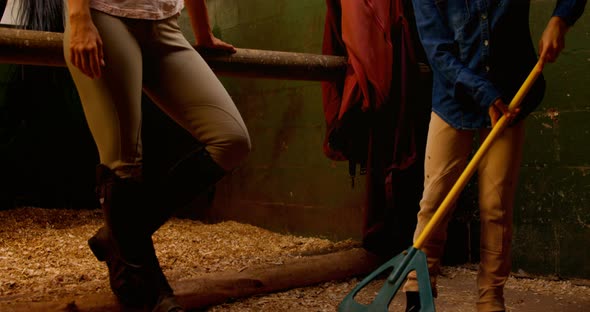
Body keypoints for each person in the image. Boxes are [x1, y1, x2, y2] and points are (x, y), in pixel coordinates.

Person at [63, 0, 251, 311]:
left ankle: (120, 238)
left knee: (232, 140)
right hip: (104, 14)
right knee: (124, 161)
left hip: (164, 24)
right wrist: (79, 18)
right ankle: (141, 285)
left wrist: (203, 33)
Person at [403, 0, 586, 311]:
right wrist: (483, 93)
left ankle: (491, 300)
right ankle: (417, 290)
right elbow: (438, 53)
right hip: (453, 97)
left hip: (510, 97)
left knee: (496, 207)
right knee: (434, 202)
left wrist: (560, 20)